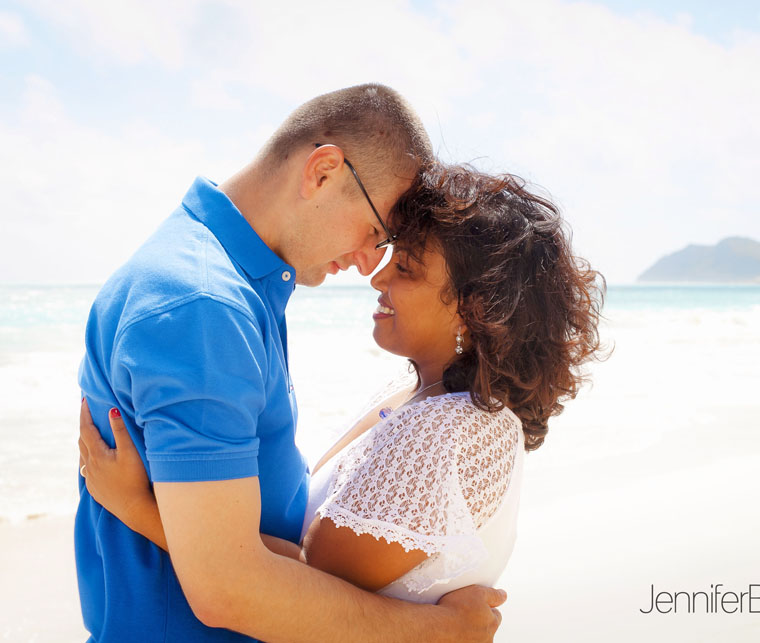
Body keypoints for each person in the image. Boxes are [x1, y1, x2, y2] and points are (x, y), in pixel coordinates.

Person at [75, 84, 507, 643]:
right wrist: (436, 631)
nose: (369, 263)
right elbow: (227, 588)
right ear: (322, 172)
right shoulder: (206, 307)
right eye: (376, 229)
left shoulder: (230, 283)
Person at [78, 163, 606, 618]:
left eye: (406, 269)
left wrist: (136, 505)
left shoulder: (451, 430)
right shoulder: (416, 393)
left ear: (475, 310)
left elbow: (305, 584)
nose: (378, 278)